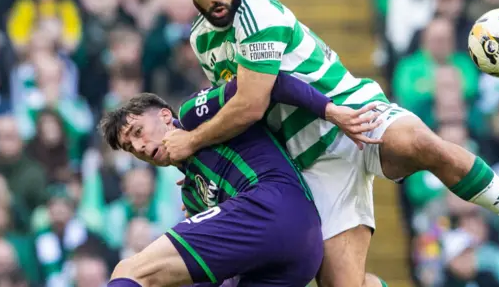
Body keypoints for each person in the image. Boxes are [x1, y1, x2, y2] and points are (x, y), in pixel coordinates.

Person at [165, 0, 499, 287]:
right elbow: (240, 110)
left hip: (354, 111)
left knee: (419, 142)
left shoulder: (257, 16)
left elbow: (250, 105)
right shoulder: (202, 39)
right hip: (312, 162)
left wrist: (191, 140)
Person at [99, 73, 378, 287]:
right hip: (300, 252)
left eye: (137, 132)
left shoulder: (192, 114)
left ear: (164, 115)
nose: (139, 147)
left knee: (130, 270)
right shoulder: (192, 195)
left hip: (273, 205)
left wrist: (331, 111)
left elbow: (268, 83)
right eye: (129, 148)